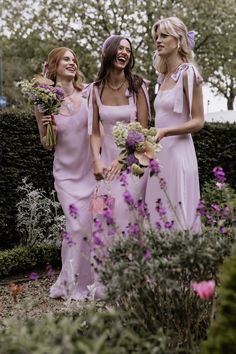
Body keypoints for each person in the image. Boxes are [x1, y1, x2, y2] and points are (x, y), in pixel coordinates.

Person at [35, 47, 95, 300]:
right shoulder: (44, 100)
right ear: (55, 65)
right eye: (66, 59)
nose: (72, 63)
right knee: (75, 226)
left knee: (93, 226)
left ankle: (94, 281)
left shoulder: (90, 93)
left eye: (74, 60)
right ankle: (71, 284)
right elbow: (46, 143)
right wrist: (49, 129)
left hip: (92, 174)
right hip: (66, 176)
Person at [145, 17, 204, 233]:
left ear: (178, 40)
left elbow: (199, 121)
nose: (158, 40)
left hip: (179, 154)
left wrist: (166, 131)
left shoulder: (189, 73)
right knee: (157, 212)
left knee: (177, 214)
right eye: (157, 36)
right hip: (158, 156)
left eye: (164, 36)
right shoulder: (162, 77)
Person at [87, 35, 150, 233]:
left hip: (132, 161)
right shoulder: (95, 89)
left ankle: (129, 262)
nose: (124, 52)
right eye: (120, 48)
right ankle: (102, 263)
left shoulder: (137, 86)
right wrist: (96, 160)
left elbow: (143, 129)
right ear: (108, 52)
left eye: (128, 50)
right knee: (100, 215)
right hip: (105, 164)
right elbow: (95, 131)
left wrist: (123, 159)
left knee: (125, 214)